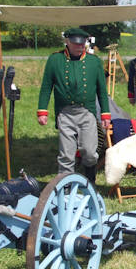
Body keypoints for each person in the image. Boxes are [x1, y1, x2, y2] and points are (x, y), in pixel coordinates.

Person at [37, 28, 111, 182]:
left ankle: (90, 183)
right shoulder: (55, 60)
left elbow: (102, 91)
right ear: (67, 42)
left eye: (82, 44)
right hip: (65, 113)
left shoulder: (94, 62)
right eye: (75, 43)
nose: (79, 47)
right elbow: (46, 86)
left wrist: (105, 113)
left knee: (90, 152)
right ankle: (65, 187)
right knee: (66, 155)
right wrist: (42, 110)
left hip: (87, 112)